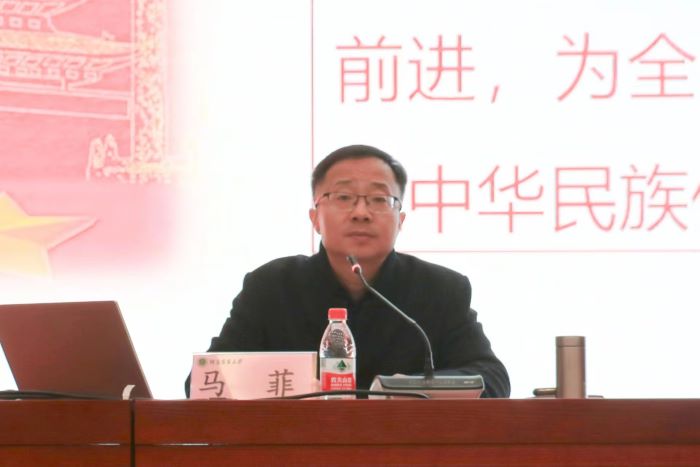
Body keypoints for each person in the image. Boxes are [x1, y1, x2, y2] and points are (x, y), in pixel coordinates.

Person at [188, 144, 510, 397]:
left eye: (379, 199)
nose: (361, 212)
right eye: (343, 197)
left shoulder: (440, 290)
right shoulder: (271, 287)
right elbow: (204, 382)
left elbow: (492, 378)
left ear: (400, 220)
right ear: (315, 218)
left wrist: (410, 389)